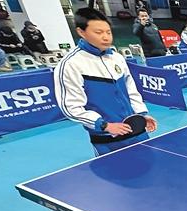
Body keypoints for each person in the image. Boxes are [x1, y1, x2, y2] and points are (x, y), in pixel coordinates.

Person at [54, 8, 157, 156]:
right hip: (107, 140)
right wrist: (104, 126)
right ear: (81, 32)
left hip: (137, 133)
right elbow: (70, 107)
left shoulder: (117, 58)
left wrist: (141, 115)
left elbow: (131, 91)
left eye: (108, 32)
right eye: (98, 32)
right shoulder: (70, 64)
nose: (106, 37)